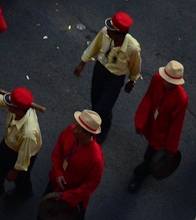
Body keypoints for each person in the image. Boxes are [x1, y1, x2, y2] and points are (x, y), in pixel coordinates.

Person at [32, 111, 105, 220]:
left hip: (75, 193)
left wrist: (70, 196)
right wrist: (58, 173)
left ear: (86, 134)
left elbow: (92, 184)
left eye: (78, 128)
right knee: (47, 207)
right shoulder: (70, 131)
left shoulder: (96, 158)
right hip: (57, 182)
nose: (74, 128)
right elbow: (58, 152)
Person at [74, 12, 142, 137]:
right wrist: (82, 63)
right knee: (95, 100)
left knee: (102, 109)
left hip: (115, 79)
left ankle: (101, 131)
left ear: (119, 35)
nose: (107, 31)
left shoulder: (133, 48)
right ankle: (96, 123)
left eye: (111, 30)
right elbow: (94, 46)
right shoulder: (105, 32)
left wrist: (131, 81)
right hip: (100, 70)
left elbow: (135, 66)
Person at [127, 60, 188, 191]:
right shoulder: (157, 79)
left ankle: (139, 176)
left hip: (162, 132)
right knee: (150, 153)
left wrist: (170, 149)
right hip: (151, 122)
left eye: (168, 81)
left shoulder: (181, 99)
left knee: (149, 157)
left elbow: (176, 125)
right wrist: (140, 121)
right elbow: (148, 98)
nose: (164, 82)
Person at [0, 85, 41, 198]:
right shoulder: (20, 108)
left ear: (17, 109)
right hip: (9, 143)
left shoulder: (29, 132)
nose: (7, 105)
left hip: (23, 152)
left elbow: (24, 157)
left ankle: (23, 193)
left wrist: (15, 171)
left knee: (21, 177)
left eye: (10, 105)